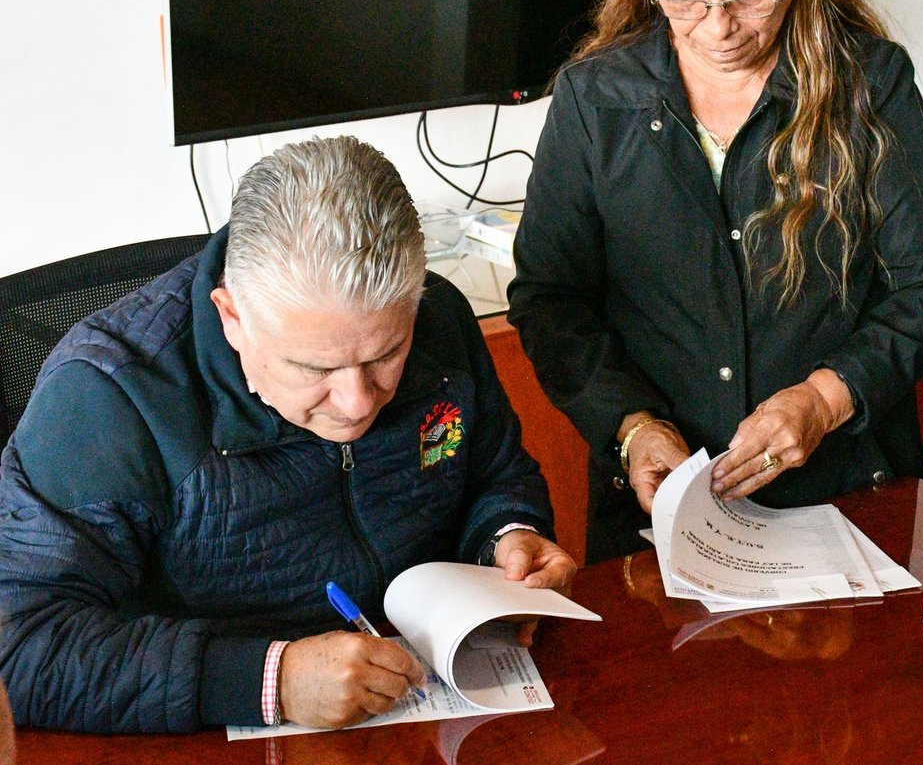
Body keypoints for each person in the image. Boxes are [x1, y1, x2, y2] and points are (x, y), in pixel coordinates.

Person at [508, 0, 923, 562]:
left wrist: (824, 399)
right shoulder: (594, 100)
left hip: (848, 498)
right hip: (658, 515)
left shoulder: (870, 86)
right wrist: (631, 426)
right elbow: (551, 298)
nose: (718, 26)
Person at [0, 138, 576, 734]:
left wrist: (508, 534)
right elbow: (19, 643)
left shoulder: (440, 317)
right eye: (314, 368)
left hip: (424, 704)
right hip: (205, 742)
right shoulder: (108, 393)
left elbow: (493, 470)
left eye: (386, 355)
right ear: (232, 317)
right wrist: (267, 679)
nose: (357, 402)